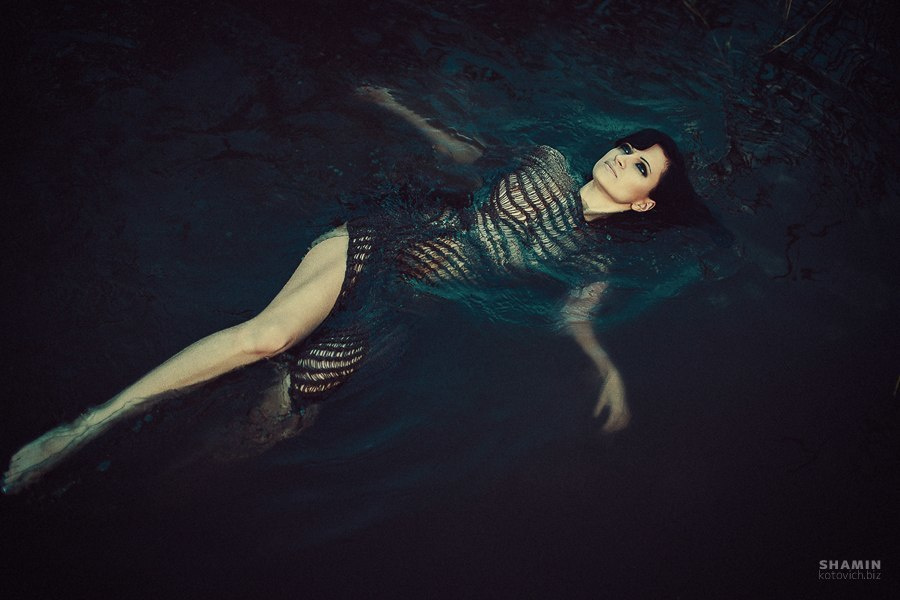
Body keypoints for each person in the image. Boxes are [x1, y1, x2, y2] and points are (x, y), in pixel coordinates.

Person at [3, 86, 716, 494]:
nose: (622, 158)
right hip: (382, 242)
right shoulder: (549, 159)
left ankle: (145, 491)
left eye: (640, 167)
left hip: (399, 309)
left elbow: (576, 317)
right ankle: (84, 428)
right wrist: (399, 108)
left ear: (646, 202)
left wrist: (608, 370)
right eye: (627, 148)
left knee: (280, 418)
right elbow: (466, 154)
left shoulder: (592, 256)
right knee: (269, 337)